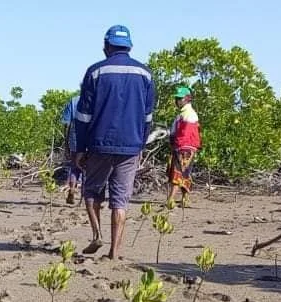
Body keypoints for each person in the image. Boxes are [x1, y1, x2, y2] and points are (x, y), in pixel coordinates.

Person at [73, 25, 156, 260]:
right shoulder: (146, 74)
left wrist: (79, 148)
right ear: (128, 46)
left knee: (91, 191)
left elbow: (83, 116)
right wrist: (140, 145)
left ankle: (97, 234)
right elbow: (148, 116)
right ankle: (114, 252)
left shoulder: (95, 72)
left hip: (98, 144)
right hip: (131, 145)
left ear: (106, 46)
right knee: (120, 200)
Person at [167, 85, 200, 206]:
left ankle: (170, 200)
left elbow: (185, 134)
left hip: (183, 147)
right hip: (184, 147)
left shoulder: (189, 114)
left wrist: (177, 146)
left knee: (177, 173)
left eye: (180, 98)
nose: (177, 101)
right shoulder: (185, 113)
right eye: (177, 98)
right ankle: (185, 199)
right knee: (185, 173)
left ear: (187, 99)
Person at [60, 94, 82, 205]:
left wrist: (66, 142)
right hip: (91, 138)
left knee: (74, 167)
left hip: (75, 137)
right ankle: (85, 198)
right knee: (90, 168)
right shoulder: (96, 99)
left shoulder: (73, 101)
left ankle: (72, 189)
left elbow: (66, 124)